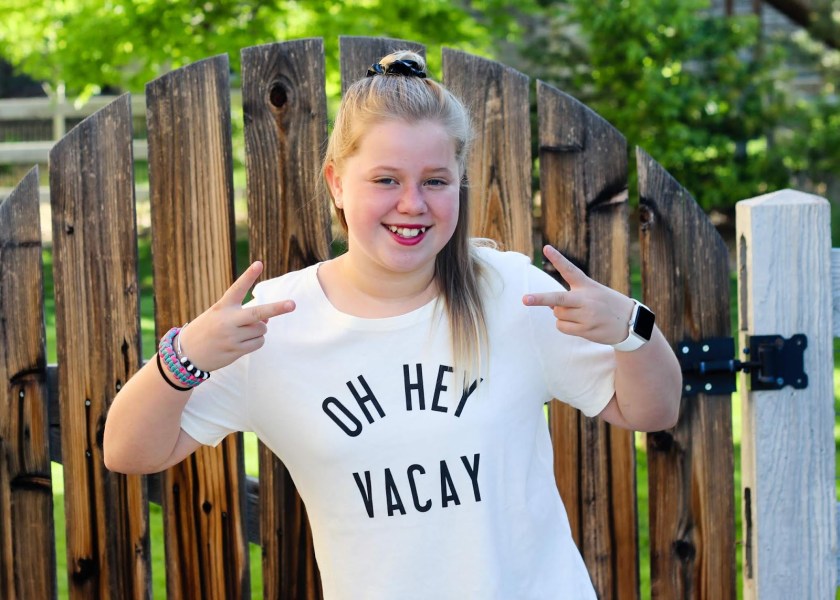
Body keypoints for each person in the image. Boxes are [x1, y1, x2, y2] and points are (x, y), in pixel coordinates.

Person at [104, 50, 682, 599]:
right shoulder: (278, 322)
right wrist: (186, 357)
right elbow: (127, 451)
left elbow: (651, 411)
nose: (412, 204)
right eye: (386, 180)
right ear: (336, 182)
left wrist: (632, 330)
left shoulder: (510, 293)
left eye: (435, 180)